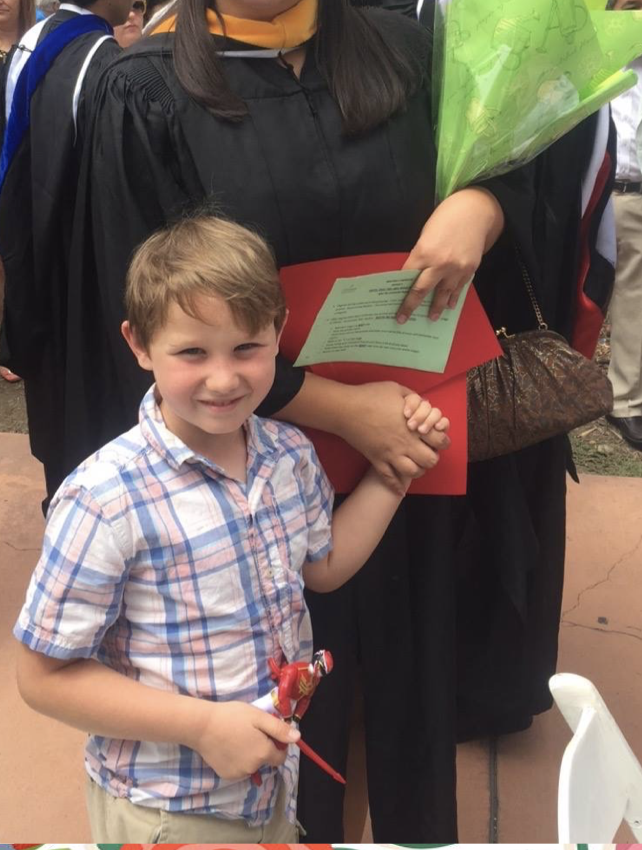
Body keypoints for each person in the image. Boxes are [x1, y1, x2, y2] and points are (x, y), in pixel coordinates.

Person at [60, 0, 536, 841]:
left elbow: (511, 157)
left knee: (412, 698)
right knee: (278, 715)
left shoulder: (402, 58)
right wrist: (341, 409)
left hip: (408, 458)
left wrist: (486, 198)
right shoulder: (143, 94)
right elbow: (144, 314)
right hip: (248, 475)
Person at [15, 213, 447, 842]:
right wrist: (203, 726)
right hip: (167, 807)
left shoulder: (289, 454)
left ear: (279, 331)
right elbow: (41, 676)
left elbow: (322, 569)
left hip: (271, 785)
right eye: (192, 351)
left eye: (247, 347)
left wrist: (391, 478)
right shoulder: (104, 498)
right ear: (139, 345)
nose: (224, 378)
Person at [399, 0, 605, 741]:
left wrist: (485, 203)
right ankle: (440, 667)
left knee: (497, 500)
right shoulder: (441, 1)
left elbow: (557, 171)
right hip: (434, 316)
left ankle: (489, 687)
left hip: (502, 312)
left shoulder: (537, 18)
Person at [0, 0, 142, 505]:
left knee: (60, 440)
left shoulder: (37, 42)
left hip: (35, 277)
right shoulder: (106, 65)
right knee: (97, 439)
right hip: (85, 293)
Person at [603, 0, 642, 447]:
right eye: (632, 7)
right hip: (607, 201)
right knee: (586, 297)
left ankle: (625, 399)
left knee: (634, 301)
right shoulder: (597, 67)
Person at [0, 0, 35, 383]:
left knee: (17, 258)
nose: (0, 0)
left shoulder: (35, 46)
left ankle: (13, 345)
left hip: (23, 169)